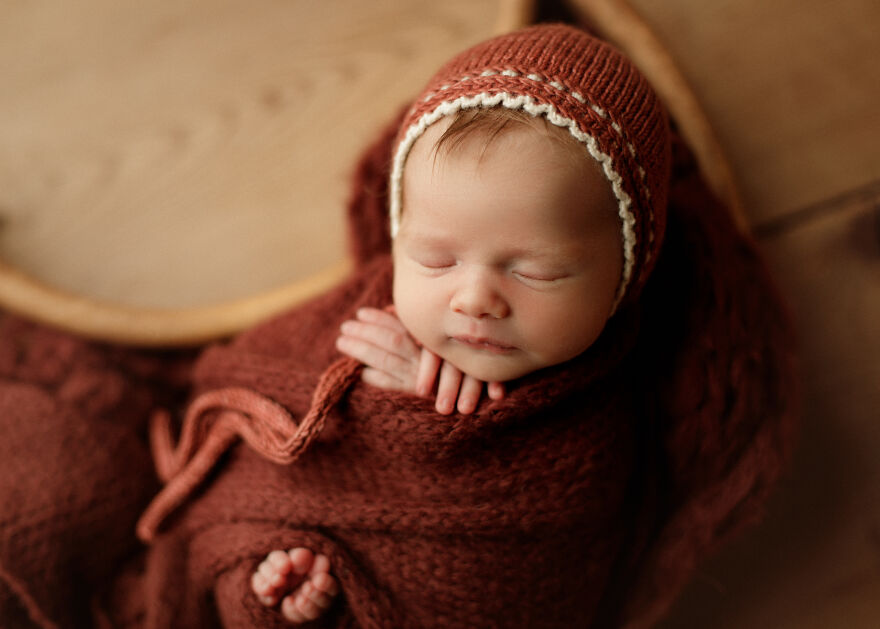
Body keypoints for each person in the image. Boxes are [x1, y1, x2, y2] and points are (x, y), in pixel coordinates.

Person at [125, 22, 795, 629]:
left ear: (624, 279)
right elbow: (250, 390)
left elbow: (540, 573)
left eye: (536, 273)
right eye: (436, 258)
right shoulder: (364, 318)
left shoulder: (597, 431)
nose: (474, 298)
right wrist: (287, 571)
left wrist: (452, 434)